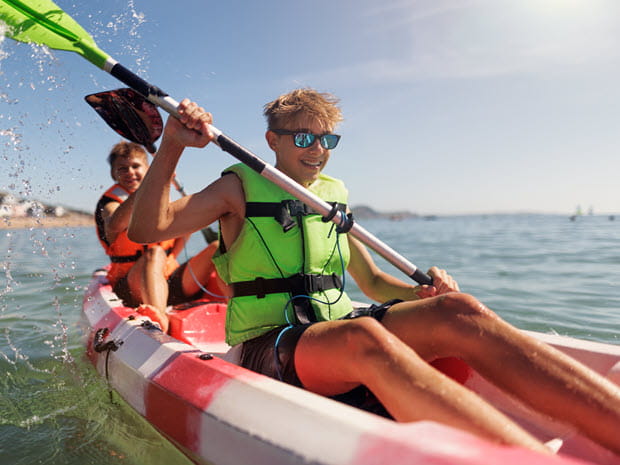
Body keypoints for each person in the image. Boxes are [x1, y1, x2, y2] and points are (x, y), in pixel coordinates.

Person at [128, 89, 620, 455]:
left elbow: (374, 285)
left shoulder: (332, 194)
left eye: (327, 140)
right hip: (267, 344)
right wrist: (171, 144)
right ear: (271, 140)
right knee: (364, 335)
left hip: (334, 328)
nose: (317, 149)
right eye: (304, 137)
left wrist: (422, 294)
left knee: (459, 311)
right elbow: (150, 229)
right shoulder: (237, 186)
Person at [95, 141, 219, 333]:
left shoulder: (163, 200)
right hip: (131, 286)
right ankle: (159, 317)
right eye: (122, 168)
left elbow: (182, 235)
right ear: (114, 174)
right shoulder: (109, 205)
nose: (129, 172)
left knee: (218, 247)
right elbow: (115, 223)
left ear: (147, 168)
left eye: (135, 166)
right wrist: (153, 182)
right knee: (155, 252)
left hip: (170, 281)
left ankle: (240, 308)